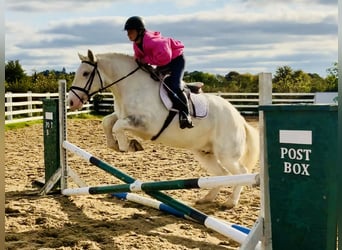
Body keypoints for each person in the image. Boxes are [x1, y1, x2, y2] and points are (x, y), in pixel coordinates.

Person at [124, 16, 193, 129]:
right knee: (152, 81)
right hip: (162, 62)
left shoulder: (153, 41)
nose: (128, 34)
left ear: (140, 31)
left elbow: (165, 57)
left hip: (176, 61)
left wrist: (145, 60)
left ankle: (186, 114)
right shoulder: (136, 44)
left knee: (173, 85)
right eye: (127, 32)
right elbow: (139, 59)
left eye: (131, 31)